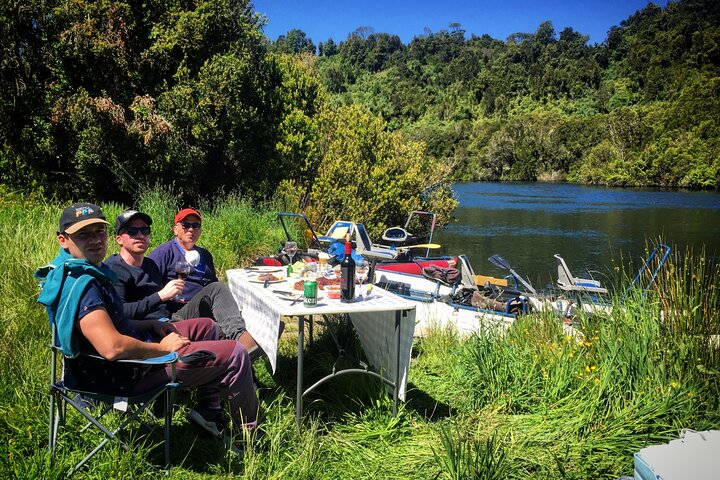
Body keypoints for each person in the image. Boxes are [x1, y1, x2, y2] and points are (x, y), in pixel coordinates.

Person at [36, 203, 258, 441]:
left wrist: (149, 325)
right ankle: (248, 439)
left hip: (132, 356)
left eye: (99, 232)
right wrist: (162, 348)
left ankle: (209, 409)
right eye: (83, 235)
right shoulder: (83, 287)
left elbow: (115, 323)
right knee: (235, 353)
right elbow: (113, 348)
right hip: (127, 375)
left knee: (207, 325)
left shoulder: (84, 273)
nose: (94, 240)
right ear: (63, 240)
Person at [109, 209, 260, 355]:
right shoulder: (118, 268)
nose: (140, 235)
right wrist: (163, 296)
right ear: (119, 239)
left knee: (219, 315)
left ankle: (243, 350)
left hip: (170, 319)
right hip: (160, 326)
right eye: (132, 232)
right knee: (217, 293)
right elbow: (120, 313)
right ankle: (242, 350)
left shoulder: (150, 264)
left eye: (145, 230)